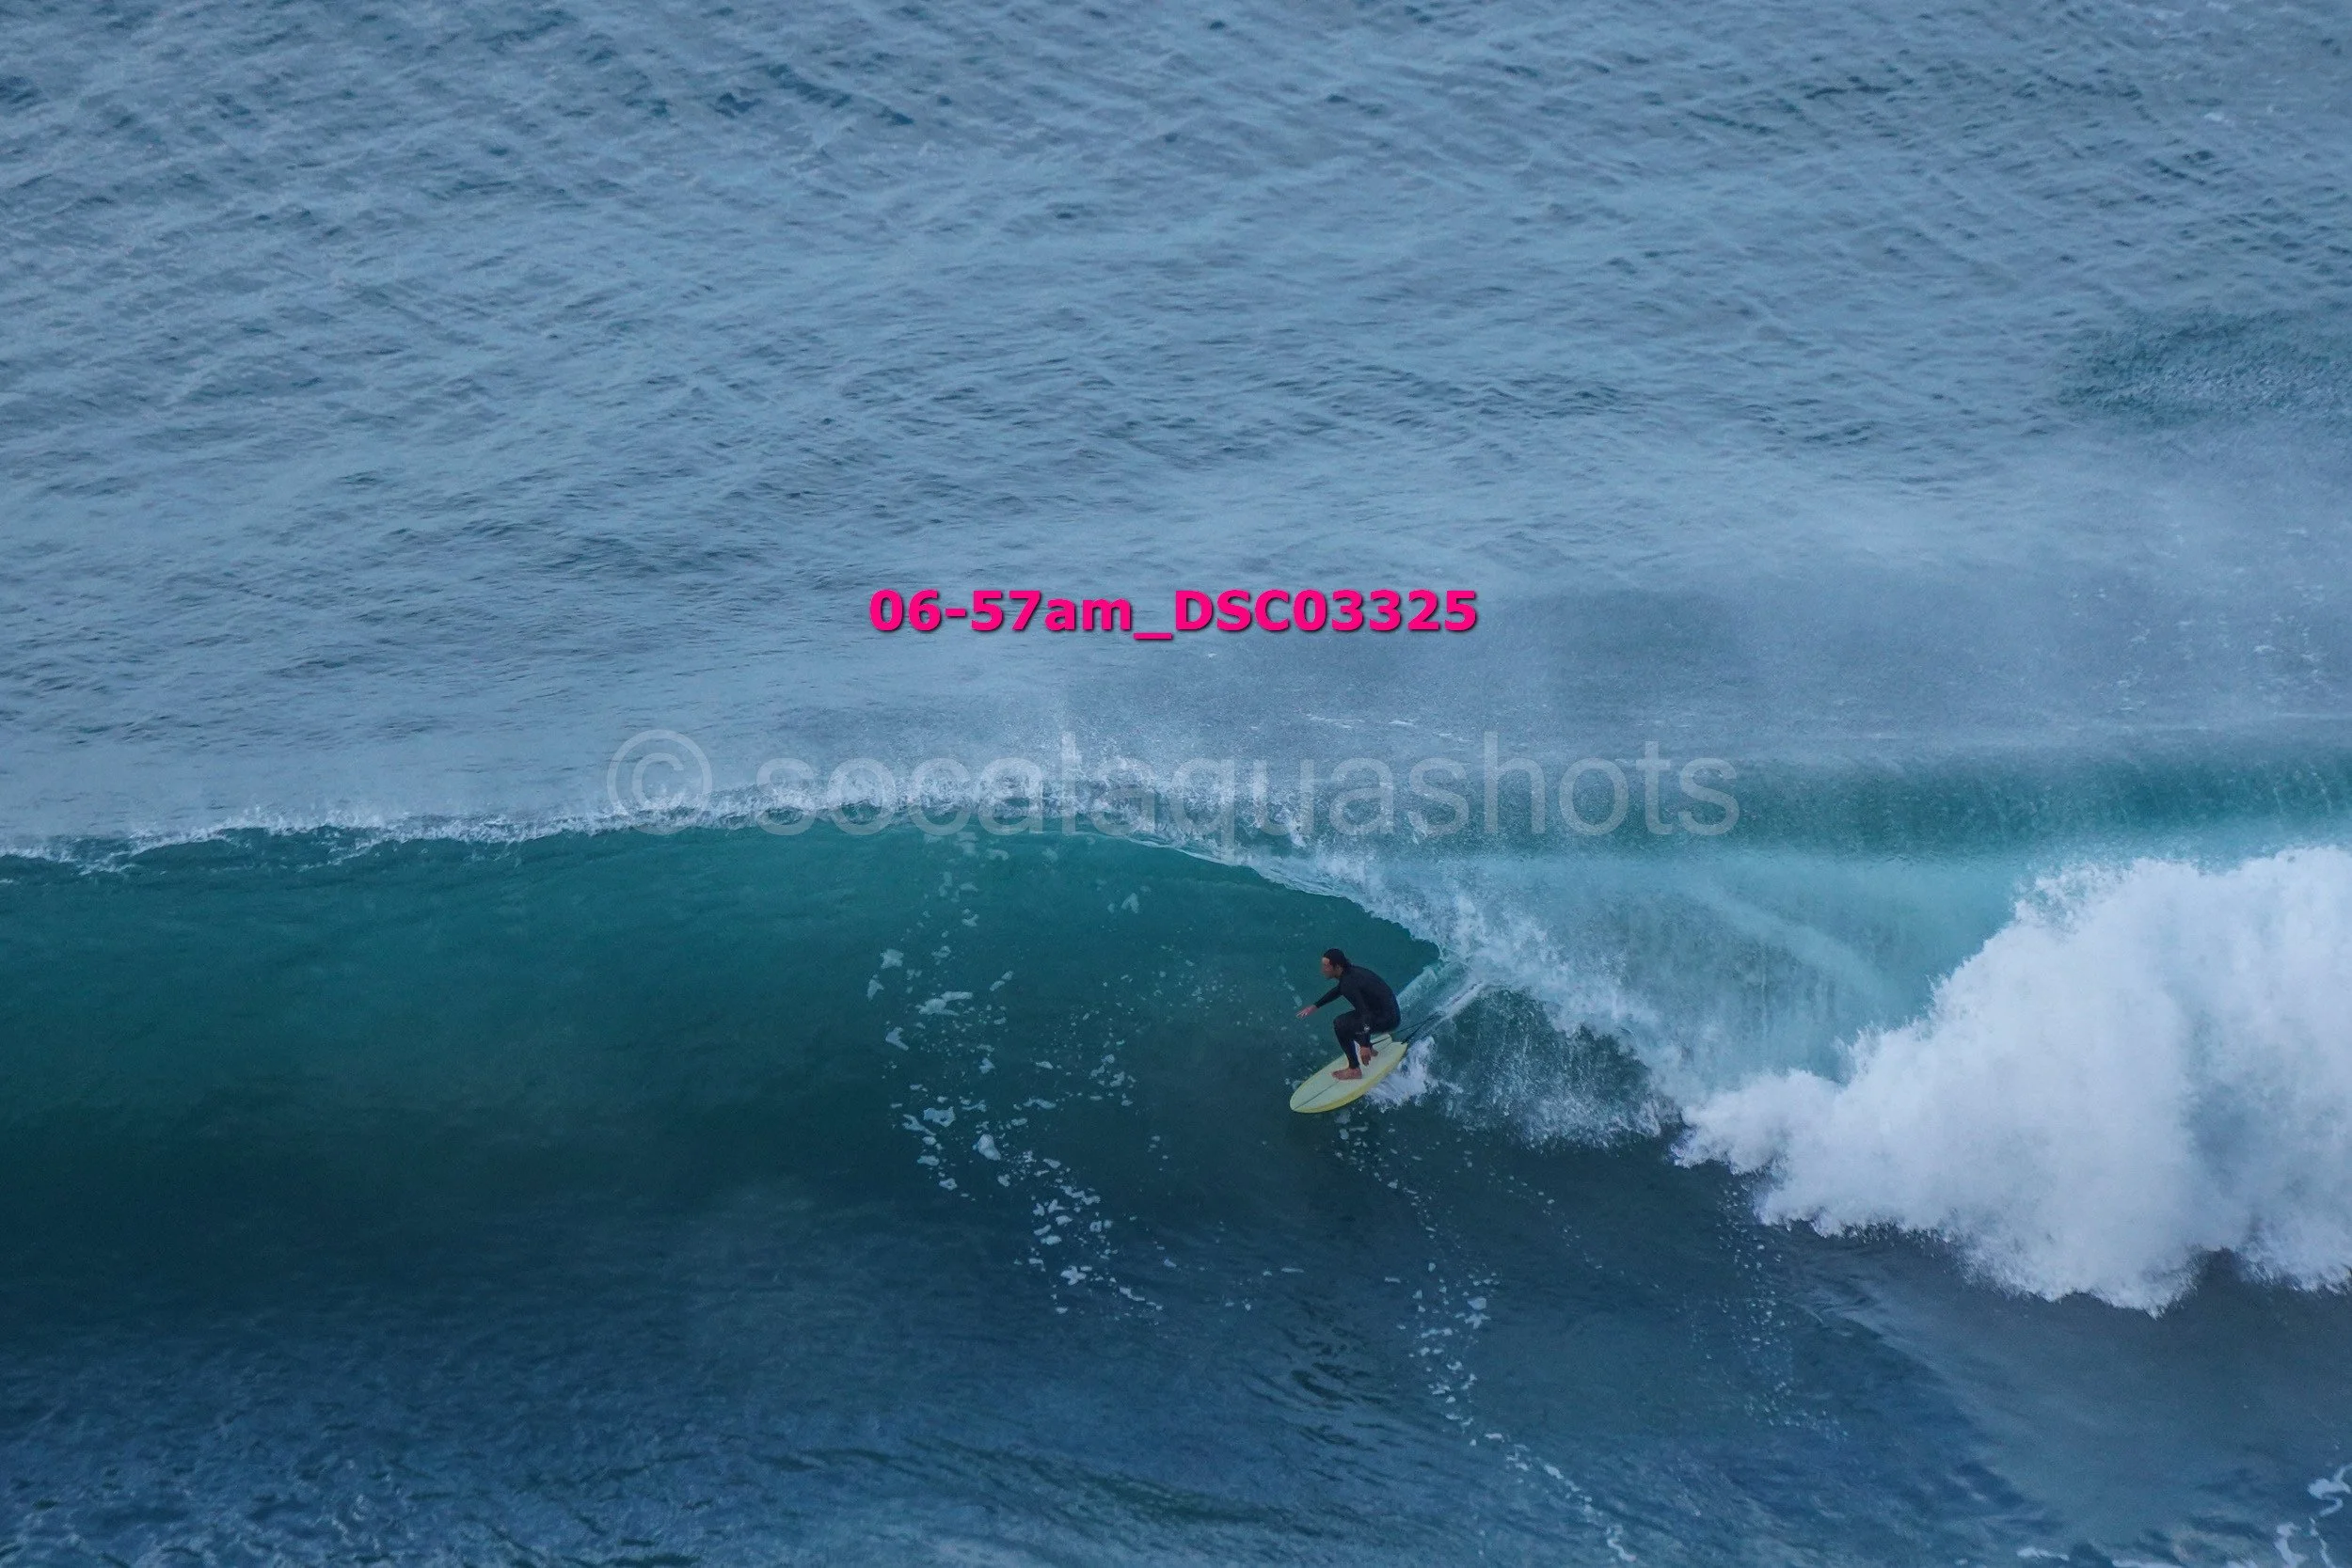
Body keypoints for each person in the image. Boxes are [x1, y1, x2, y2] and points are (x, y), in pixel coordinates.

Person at [1295, 948, 1400, 1080]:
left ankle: (1354, 1069)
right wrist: (1316, 1005)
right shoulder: (1352, 972)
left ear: (1337, 967)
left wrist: (1364, 1044)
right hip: (1390, 1014)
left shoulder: (1348, 983)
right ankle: (1369, 1048)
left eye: (1326, 966)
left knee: (1340, 1024)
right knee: (1348, 1022)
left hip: (1386, 1019)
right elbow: (1339, 989)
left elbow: (1365, 1015)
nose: (1323, 970)